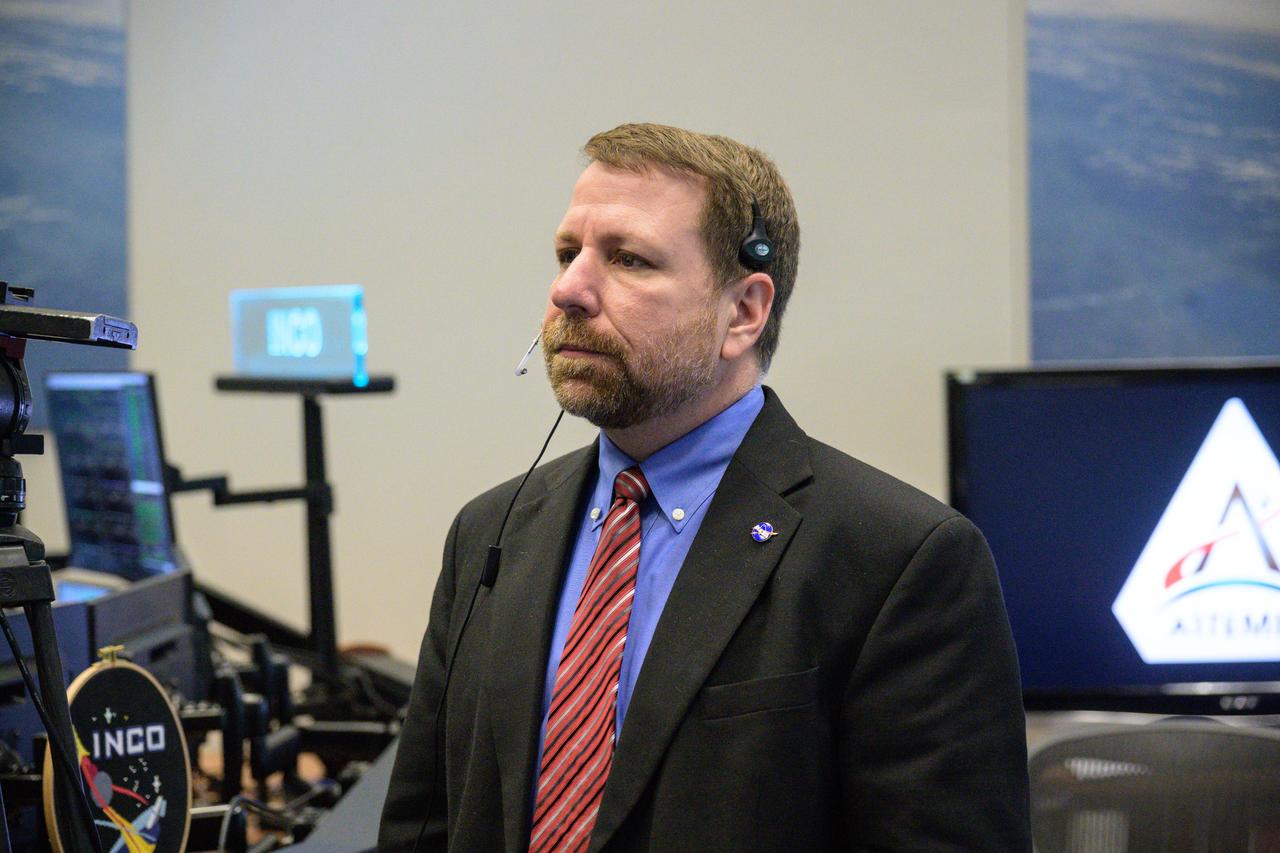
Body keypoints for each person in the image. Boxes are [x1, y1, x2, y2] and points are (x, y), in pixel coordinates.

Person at [379, 123, 1031, 851]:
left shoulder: (900, 558)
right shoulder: (491, 533)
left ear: (744, 311)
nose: (568, 289)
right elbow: (421, 828)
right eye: (568, 253)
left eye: (628, 259)